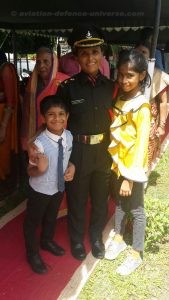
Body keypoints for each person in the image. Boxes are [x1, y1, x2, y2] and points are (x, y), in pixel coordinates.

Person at [56, 24, 114, 260]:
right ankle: (77, 240)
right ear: (76, 57)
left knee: (100, 199)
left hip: (104, 151)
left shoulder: (112, 87)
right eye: (84, 53)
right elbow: (59, 126)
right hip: (77, 152)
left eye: (95, 52)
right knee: (77, 200)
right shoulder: (67, 88)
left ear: (101, 54)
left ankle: (97, 238)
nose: (90, 57)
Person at [105, 49, 151, 275]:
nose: (124, 80)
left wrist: (130, 179)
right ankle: (120, 237)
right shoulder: (121, 98)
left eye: (130, 75)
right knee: (120, 204)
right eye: (121, 74)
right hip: (118, 164)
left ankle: (136, 253)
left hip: (133, 169)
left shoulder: (142, 106)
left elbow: (141, 145)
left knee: (137, 209)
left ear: (141, 75)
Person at [23, 95, 75, 274]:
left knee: (51, 216)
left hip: (58, 188)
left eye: (61, 114)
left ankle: (46, 241)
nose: (57, 118)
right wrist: (41, 169)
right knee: (33, 221)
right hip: (40, 190)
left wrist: (72, 167)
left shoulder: (69, 136)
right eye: (51, 114)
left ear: (67, 116)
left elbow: (65, 159)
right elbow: (30, 171)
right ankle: (32, 253)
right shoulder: (38, 144)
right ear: (44, 117)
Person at [21, 47, 69, 151]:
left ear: (54, 62)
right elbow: (26, 112)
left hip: (59, 137)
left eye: (46, 61)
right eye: (38, 62)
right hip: (36, 137)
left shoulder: (65, 81)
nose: (41, 66)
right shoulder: (33, 83)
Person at [135, 40, 169, 171]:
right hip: (131, 120)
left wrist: (161, 126)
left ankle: (141, 183)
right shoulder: (129, 71)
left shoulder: (157, 74)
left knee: (146, 153)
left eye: (144, 52)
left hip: (149, 122)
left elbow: (164, 102)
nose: (140, 55)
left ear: (150, 56)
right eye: (137, 52)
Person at [0, 50, 20, 199]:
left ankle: (7, 187)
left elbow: (10, 102)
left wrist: (3, 127)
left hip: (4, 118)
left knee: (4, 155)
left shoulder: (5, 69)